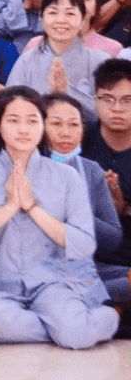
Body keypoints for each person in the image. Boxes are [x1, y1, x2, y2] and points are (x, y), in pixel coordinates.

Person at [0, 86, 117, 348]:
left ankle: (107, 316)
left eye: (32, 121)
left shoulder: (66, 177)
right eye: (13, 120)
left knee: (77, 337)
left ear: (42, 126)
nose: (23, 129)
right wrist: (8, 208)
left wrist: (32, 208)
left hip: (54, 282)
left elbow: (84, 242)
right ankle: (61, 326)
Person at [9, 0, 110, 120]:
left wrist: (68, 93)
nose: (61, 20)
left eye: (70, 14)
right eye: (53, 13)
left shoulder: (101, 62)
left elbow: (111, 113)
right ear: (42, 19)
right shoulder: (26, 60)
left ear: (82, 21)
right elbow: (9, 107)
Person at [81, 58, 131, 301]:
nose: (117, 108)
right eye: (107, 99)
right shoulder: (78, 140)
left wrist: (122, 209)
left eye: (127, 100)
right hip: (86, 258)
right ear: (95, 99)